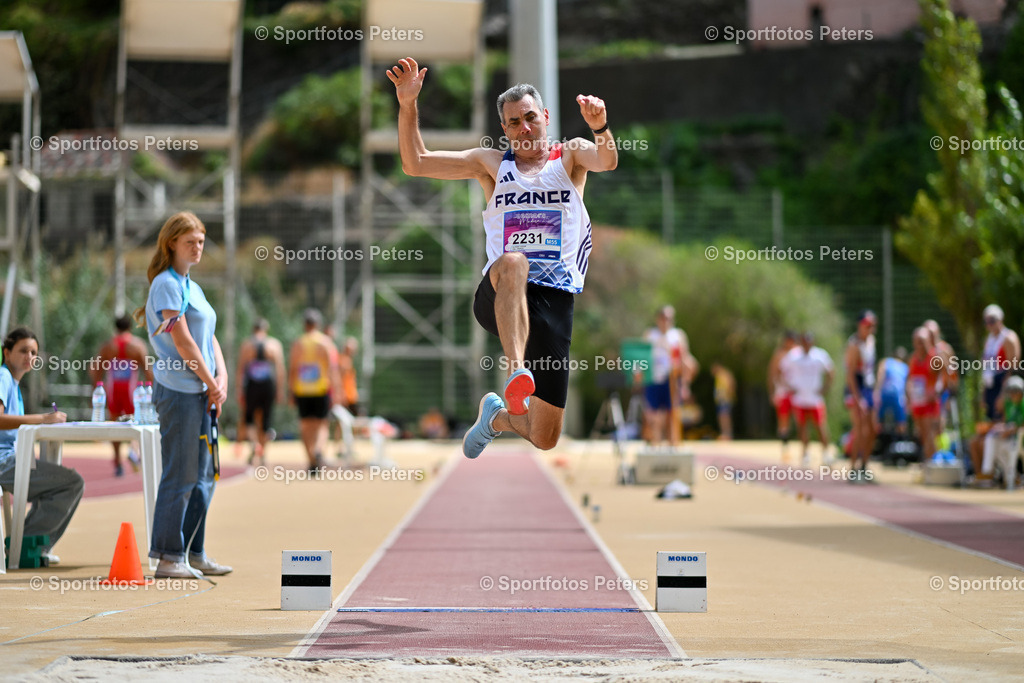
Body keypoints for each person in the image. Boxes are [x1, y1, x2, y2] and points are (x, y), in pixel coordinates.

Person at [387, 57, 617, 458]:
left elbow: (608, 160)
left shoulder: (572, 157)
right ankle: (516, 370)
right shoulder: (491, 165)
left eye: (530, 117)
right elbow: (415, 162)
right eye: (514, 123)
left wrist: (599, 127)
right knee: (514, 261)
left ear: (545, 116)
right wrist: (408, 105)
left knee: (545, 437)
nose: (524, 128)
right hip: (499, 294)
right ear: (504, 130)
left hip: (554, 303)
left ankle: (496, 416)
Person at [136, 211, 231, 579]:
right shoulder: (166, 284)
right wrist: (210, 382)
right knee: (181, 473)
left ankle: (194, 551)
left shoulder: (194, 287)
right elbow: (183, 341)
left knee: (205, 475)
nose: (197, 248)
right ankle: (167, 556)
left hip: (203, 391)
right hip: (179, 391)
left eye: (201, 242)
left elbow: (210, 338)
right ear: (171, 243)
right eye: (190, 241)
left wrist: (220, 378)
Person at [0, 327, 81, 566]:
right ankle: (23, 545)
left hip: (11, 458)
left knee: (60, 482)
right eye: (23, 350)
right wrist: (42, 419)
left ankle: (33, 546)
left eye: (34, 352)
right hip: (3, 461)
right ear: (7, 352)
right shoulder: (4, 377)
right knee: (71, 483)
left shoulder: (14, 384)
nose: (30, 357)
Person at [91, 315, 153, 476]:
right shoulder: (137, 346)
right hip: (132, 390)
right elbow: (148, 371)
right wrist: (149, 391)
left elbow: (95, 371)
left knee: (114, 425)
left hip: (113, 391)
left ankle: (118, 461)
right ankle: (134, 450)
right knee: (136, 421)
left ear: (115, 327)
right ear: (130, 327)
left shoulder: (108, 347)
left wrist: (96, 389)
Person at [289, 309, 341, 471]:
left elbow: (293, 368)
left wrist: (290, 391)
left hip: (302, 390)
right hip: (321, 389)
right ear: (318, 324)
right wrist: (337, 390)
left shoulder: (298, 343)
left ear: (305, 324)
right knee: (321, 424)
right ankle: (318, 450)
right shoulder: (326, 343)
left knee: (305, 425)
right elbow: (332, 369)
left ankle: (311, 459)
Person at [642, 306, 695, 447]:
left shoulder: (678, 335)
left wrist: (685, 384)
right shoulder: (650, 335)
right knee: (654, 416)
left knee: (673, 415)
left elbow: (686, 359)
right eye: (664, 318)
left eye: (669, 318)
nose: (666, 321)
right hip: (653, 380)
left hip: (672, 380)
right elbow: (642, 358)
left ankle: (673, 447)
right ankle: (655, 446)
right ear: (658, 319)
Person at [235, 319, 285, 466]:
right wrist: (280, 390)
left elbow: (241, 369)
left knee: (249, 418)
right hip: (268, 386)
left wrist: (239, 389)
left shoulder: (247, 345)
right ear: (266, 329)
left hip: (252, 386)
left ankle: (254, 445)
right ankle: (263, 453)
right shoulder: (274, 345)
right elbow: (280, 369)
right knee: (266, 420)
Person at [784, 332, 834, 469]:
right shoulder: (793, 356)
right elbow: (782, 370)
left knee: (820, 426)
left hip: (815, 399)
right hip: (800, 399)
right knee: (802, 427)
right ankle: (805, 454)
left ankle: (826, 454)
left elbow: (831, 371)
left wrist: (825, 388)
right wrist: (789, 386)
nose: (807, 344)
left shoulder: (820, 355)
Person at [969, 375, 1023, 487]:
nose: (1013, 394)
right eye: (1011, 391)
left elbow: (1020, 425)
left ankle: (1008, 475)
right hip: (1007, 437)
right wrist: (1000, 428)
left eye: (1015, 391)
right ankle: (987, 473)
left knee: (992, 442)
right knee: (990, 438)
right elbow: (1006, 421)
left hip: (1018, 439)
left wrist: (1011, 430)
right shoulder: (1009, 404)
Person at [844, 310, 878, 480]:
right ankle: (853, 469)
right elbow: (850, 374)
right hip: (856, 389)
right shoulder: (854, 344)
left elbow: (871, 369)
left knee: (872, 429)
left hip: (869, 388)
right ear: (860, 325)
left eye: (873, 325)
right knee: (860, 429)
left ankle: (864, 467)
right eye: (867, 325)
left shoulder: (871, 341)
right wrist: (858, 399)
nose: (870, 328)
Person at [980, 304, 1021, 420]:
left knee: (1003, 421)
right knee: (993, 422)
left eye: (992, 320)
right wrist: (984, 394)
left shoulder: (1009, 338)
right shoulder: (988, 339)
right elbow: (986, 368)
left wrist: (1003, 394)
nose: (989, 324)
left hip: (1003, 385)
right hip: (991, 385)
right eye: (986, 321)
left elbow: (1013, 368)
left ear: (1000, 319)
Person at [906, 327, 941, 462]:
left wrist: (936, 390)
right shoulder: (913, 358)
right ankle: (928, 463)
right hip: (917, 401)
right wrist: (908, 395)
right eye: (917, 341)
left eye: (922, 341)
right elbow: (910, 378)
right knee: (922, 434)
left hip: (930, 403)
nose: (920, 345)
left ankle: (934, 463)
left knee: (930, 434)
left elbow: (944, 377)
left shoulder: (934, 358)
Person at [768, 330, 799, 457]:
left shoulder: (798, 352)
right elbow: (772, 373)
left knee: (799, 419)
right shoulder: (779, 354)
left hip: (797, 391)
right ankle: (785, 447)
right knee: (784, 419)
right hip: (783, 392)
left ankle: (802, 449)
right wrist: (771, 392)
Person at [874, 346, 909, 437]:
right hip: (898, 396)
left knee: (878, 419)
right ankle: (901, 439)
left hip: (885, 393)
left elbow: (880, 376)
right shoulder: (905, 367)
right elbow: (907, 385)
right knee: (901, 421)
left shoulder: (886, 362)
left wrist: (877, 390)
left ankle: (878, 439)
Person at [711, 362, 736, 440]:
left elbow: (731, 385)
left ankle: (727, 434)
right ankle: (725, 433)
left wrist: (729, 396)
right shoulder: (719, 376)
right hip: (721, 400)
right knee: (722, 417)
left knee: (724, 417)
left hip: (724, 400)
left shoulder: (724, 374)